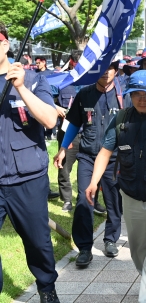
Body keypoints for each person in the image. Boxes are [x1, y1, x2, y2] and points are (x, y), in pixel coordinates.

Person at [85, 70, 146, 302]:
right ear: (129, 95)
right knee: (137, 249)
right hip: (131, 194)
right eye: (136, 94)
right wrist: (93, 181)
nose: (142, 99)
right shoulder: (121, 120)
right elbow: (105, 152)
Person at [0, 22, 61, 303]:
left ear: (5, 43)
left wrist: (22, 88)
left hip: (27, 176)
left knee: (38, 241)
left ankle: (47, 288)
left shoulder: (34, 79)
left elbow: (49, 119)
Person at [54, 60, 124, 266]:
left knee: (114, 201)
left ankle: (111, 239)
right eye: (102, 68)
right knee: (84, 201)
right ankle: (84, 247)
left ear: (116, 70)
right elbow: (74, 123)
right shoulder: (84, 94)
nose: (106, 72)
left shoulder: (124, 96)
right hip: (88, 156)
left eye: (110, 68)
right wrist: (63, 148)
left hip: (115, 158)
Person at [55, 51, 83, 212]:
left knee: (88, 168)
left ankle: (86, 198)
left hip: (87, 132)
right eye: (76, 62)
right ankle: (66, 199)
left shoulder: (91, 82)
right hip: (67, 132)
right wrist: (56, 107)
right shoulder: (61, 81)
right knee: (64, 167)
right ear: (71, 62)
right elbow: (44, 100)